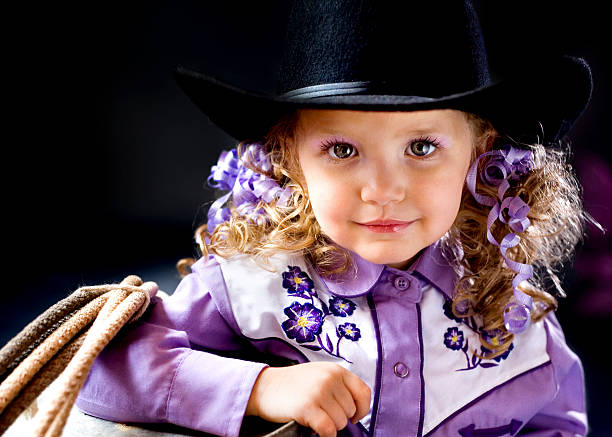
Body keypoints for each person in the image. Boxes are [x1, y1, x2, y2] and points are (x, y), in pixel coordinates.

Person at [76, 1, 594, 436]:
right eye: (343, 149)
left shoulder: (517, 324)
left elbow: (560, 424)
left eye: (421, 146)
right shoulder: (250, 286)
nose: (383, 190)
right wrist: (260, 388)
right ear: (291, 156)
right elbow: (108, 373)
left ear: (478, 150)